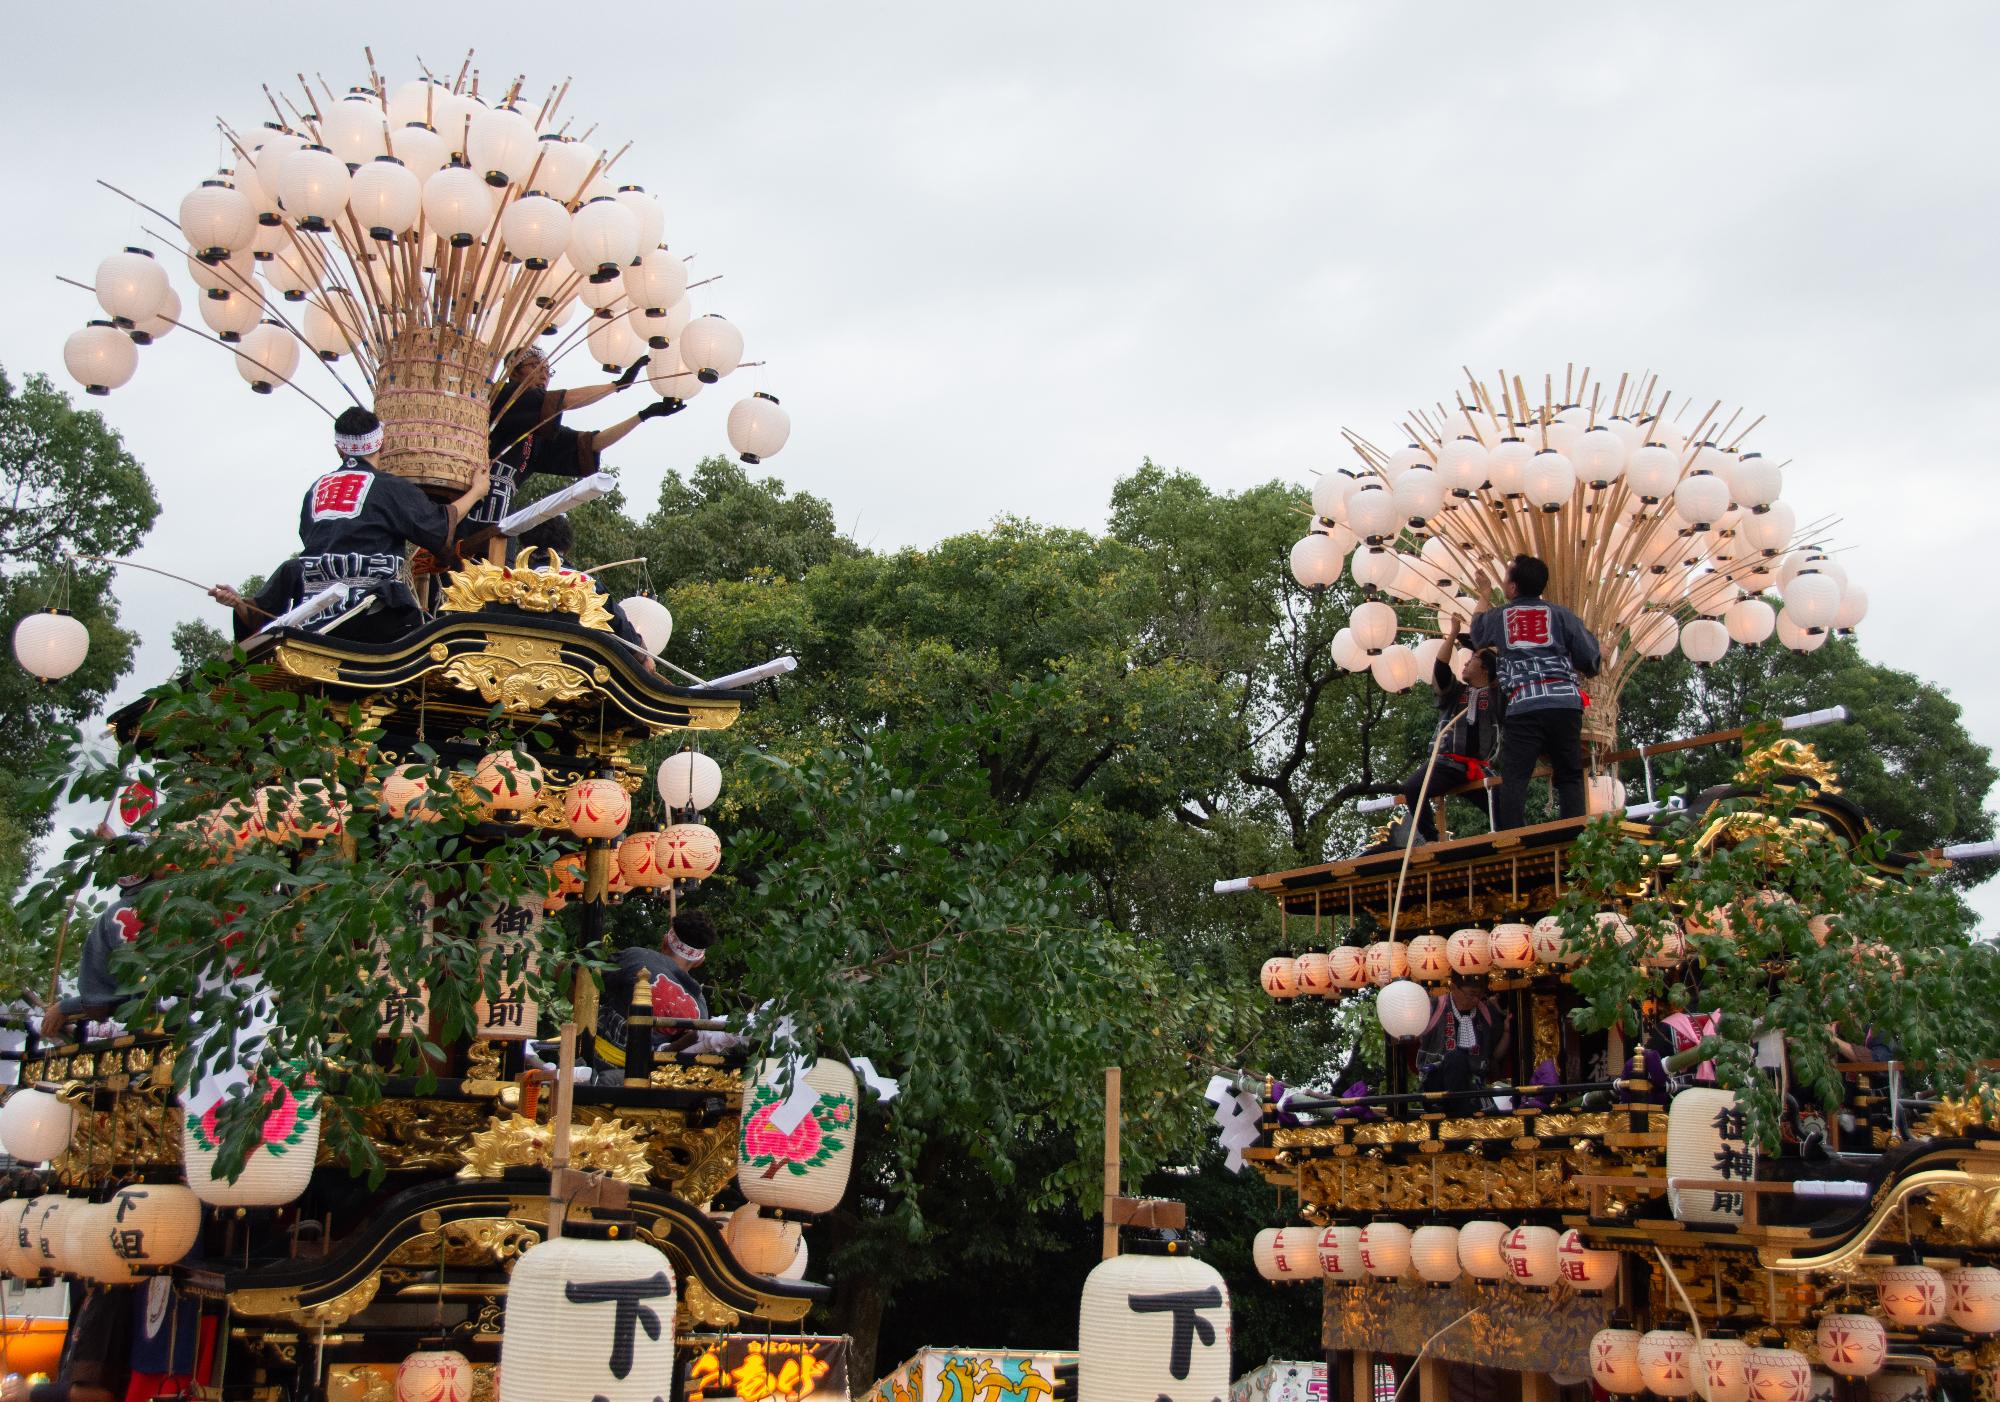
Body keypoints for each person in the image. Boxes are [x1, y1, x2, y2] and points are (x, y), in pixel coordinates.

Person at [210, 406, 490, 644]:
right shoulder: (388, 487)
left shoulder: (316, 489)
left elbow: (313, 541)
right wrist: (476, 492)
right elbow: (437, 528)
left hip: (313, 618)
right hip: (374, 616)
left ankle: (246, 606)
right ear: (382, 444)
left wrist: (242, 604)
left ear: (338, 450)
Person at [477, 348, 682, 541]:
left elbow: (592, 443)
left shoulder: (537, 434)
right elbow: (563, 400)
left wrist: (643, 415)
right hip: (470, 506)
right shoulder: (500, 396)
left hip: (500, 521)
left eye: (548, 371)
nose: (544, 376)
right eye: (535, 367)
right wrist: (616, 386)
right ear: (513, 372)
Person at [1469, 554, 1602, 830]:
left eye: (1506, 577)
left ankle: (1514, 839)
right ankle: (1574, 836)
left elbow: (1478, 635)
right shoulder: (1560, 614)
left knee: (1515, 777)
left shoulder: (1501, 616)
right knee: (1569, 775)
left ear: (1513, 587)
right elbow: (1590, 657)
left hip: (1525, 705)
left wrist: (1483, 594)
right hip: (1565, 704)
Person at [1394, 617, 1500, 843]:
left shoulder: (1496, 695)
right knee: (1413, 788)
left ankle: (1511, 837)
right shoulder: (1455, 692)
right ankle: (1432, 838)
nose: (1464, 664)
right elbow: (1441, 669)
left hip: (1477, 769)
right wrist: (1452, 634)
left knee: (1502, 805)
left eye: (1471, 660)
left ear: (1485, 668)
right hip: (1445, 765)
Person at [41, 837, 154, 1041]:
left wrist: (64, 1007)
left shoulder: (110, 920)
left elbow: (98, 1002)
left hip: (149, 1031)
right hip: (207, 1021)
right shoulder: (191, 897)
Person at [592, 911, 717, 1074]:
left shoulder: (636, 958)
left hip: (593, 1063)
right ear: (699, 961)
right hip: (647, 1082)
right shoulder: (700, 1008)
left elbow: (586, 982)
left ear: (665, 941)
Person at [1414, 977, 1512, 1108]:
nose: (1476, 999)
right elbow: (1400, 1036)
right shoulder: (1433, 1006)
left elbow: (1495, 1056)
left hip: (1473, 1088)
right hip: (1436, 1087)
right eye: (1471, 994)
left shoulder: (1486, 1012)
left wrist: (1507, 1032)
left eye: (1480, 994)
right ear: (1454, 988)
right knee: (1455, 1058)